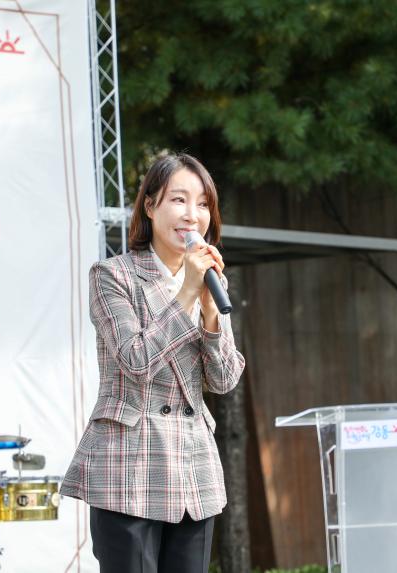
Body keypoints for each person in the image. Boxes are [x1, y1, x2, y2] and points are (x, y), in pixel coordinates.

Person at [60, 153, 245, 573]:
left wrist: (210, 314)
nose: (192, 215)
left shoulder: (209, 281)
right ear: (150, 205)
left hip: (193, 470)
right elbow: (136, 360)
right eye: (179, 200)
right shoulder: (113, 276)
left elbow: (223, 379)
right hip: (129, 465)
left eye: (203, 204)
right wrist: (187, 294)